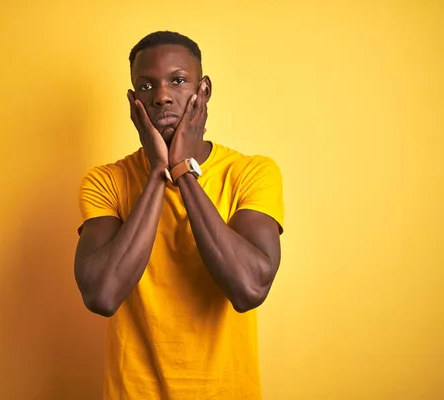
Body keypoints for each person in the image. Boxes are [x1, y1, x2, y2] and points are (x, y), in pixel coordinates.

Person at [74, 30, 284, 399]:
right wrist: (158, 174)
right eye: (146, 85)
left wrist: (183, 170)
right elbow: (102, 295)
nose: (162, 96)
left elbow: (248, 288)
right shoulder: (106, 181)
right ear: (133, 100)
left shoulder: (251, 173)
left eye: (178, 80)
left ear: (203, 92)